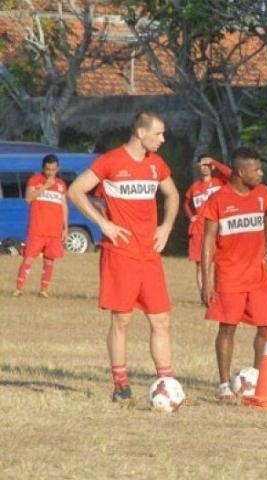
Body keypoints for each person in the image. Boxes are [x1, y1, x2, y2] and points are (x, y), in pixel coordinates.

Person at [67, 111, 180, 404]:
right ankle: (121, 385)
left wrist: (166, 227)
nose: (163, 139)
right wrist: (103, 224)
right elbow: (76, 191)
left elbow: (173, 195)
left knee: (162, 320)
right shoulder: (110, 161)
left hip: (149, 255)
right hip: (120, 253)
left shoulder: (157, 165)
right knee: (123, 320)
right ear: (141, 133)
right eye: (159, 134)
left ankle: (166, 383)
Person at [200, 147, 267, 402]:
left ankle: (256, 378)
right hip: (230, 275)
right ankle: (224, 385)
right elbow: (208, 241)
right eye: (256, 169)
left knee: (266, 328)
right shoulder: (219, 200)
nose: (261, 173)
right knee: (228, 329)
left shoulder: (262, 194)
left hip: (258, 275)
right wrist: (206, 280)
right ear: (241, 171)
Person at [13, 154, 68, 298]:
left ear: (58, 168)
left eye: (53, 169)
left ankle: (44, 290)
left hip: (54, 230)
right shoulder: (34, 180)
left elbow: (64, 207)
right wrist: (45, 186)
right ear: (43, 168)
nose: (50, 172)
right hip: (37, 228)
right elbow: (28, 198)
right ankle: (19, 288)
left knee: (49, 260)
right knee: (29, 258)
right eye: (48, 169)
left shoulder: (61, 184)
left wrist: (65, 227)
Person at [184, 154, 232, 297]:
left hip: (218, 229)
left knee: (216, 262)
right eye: (202, 165)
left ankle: (215, 292)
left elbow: (231, 174)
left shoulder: (220, 182)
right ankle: (203, 295)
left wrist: (214, 161)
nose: (205, 168)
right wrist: (191, 216)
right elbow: (186, 203)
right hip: (198, 229)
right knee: (200, 264)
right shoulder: (195, 186)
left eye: (207, 165)